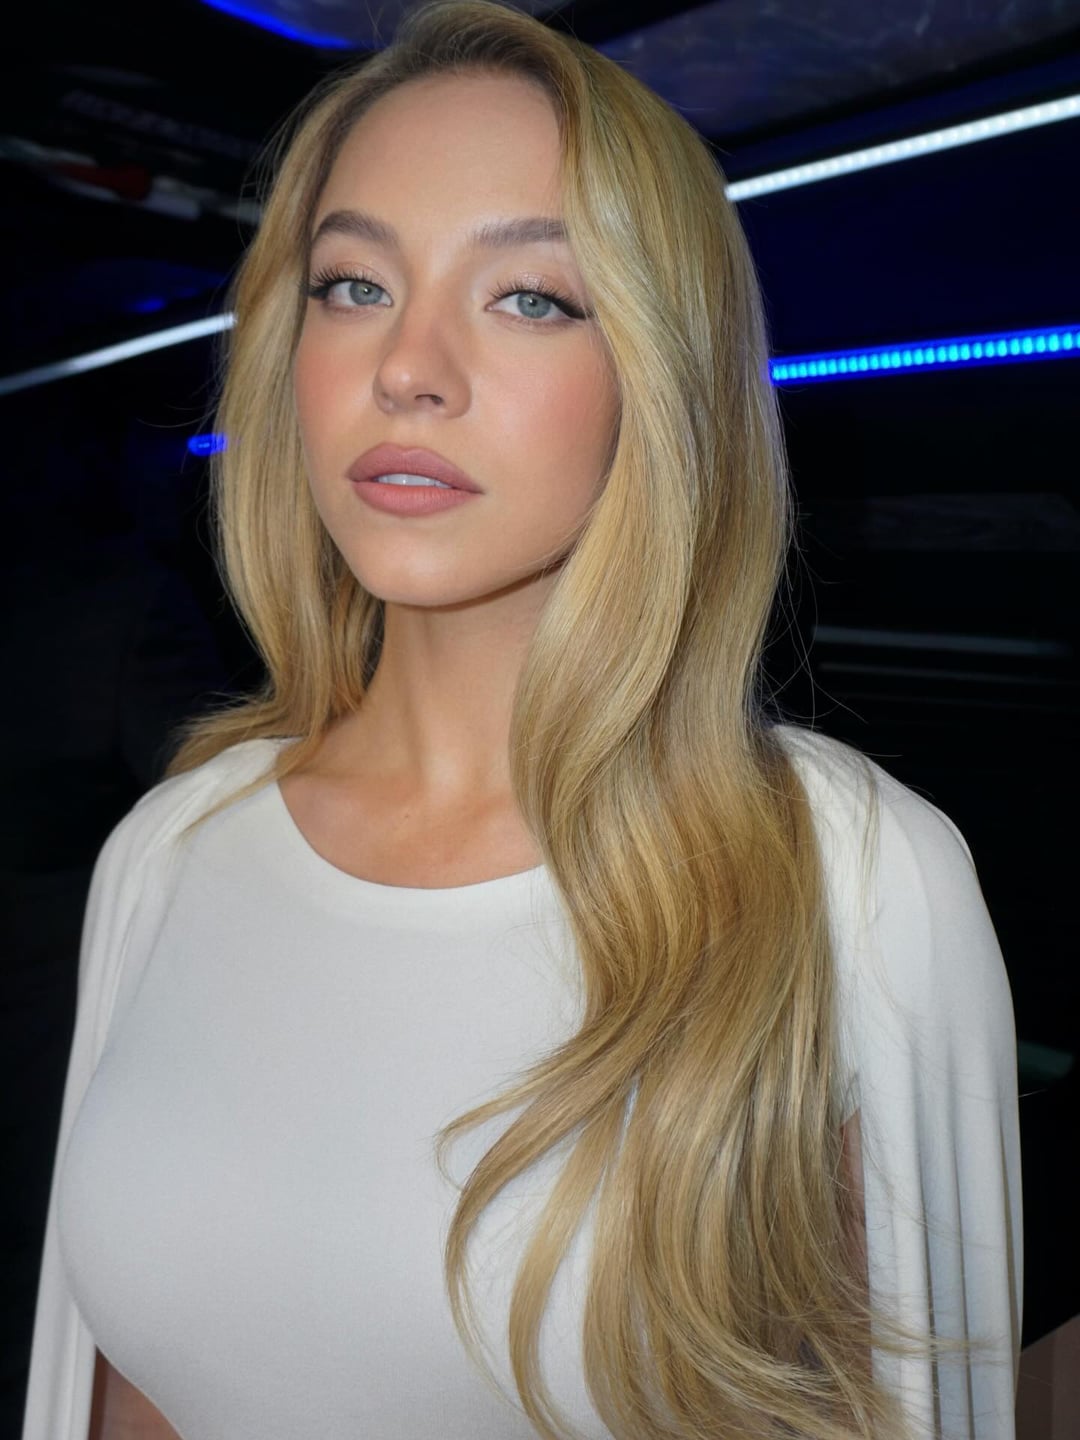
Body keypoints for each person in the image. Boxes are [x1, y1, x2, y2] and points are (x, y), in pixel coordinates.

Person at [21, 3, 1021, 1437]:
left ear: (660, 377)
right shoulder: (174, 849)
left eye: (532, 298)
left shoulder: (850, 880)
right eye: (353, 284)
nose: (408, 367)